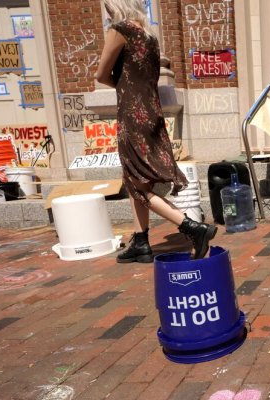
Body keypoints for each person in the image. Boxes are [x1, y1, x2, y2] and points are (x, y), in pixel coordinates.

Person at [95, 0, 216, 262]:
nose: (106, 11)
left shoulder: (120, 29)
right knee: (138, 179)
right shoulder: (149, 35)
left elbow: (102, 74)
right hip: (152, 113)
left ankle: (193, 228)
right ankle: (141, 242)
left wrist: (123, 83)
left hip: (132, 114)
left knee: (136, 184)